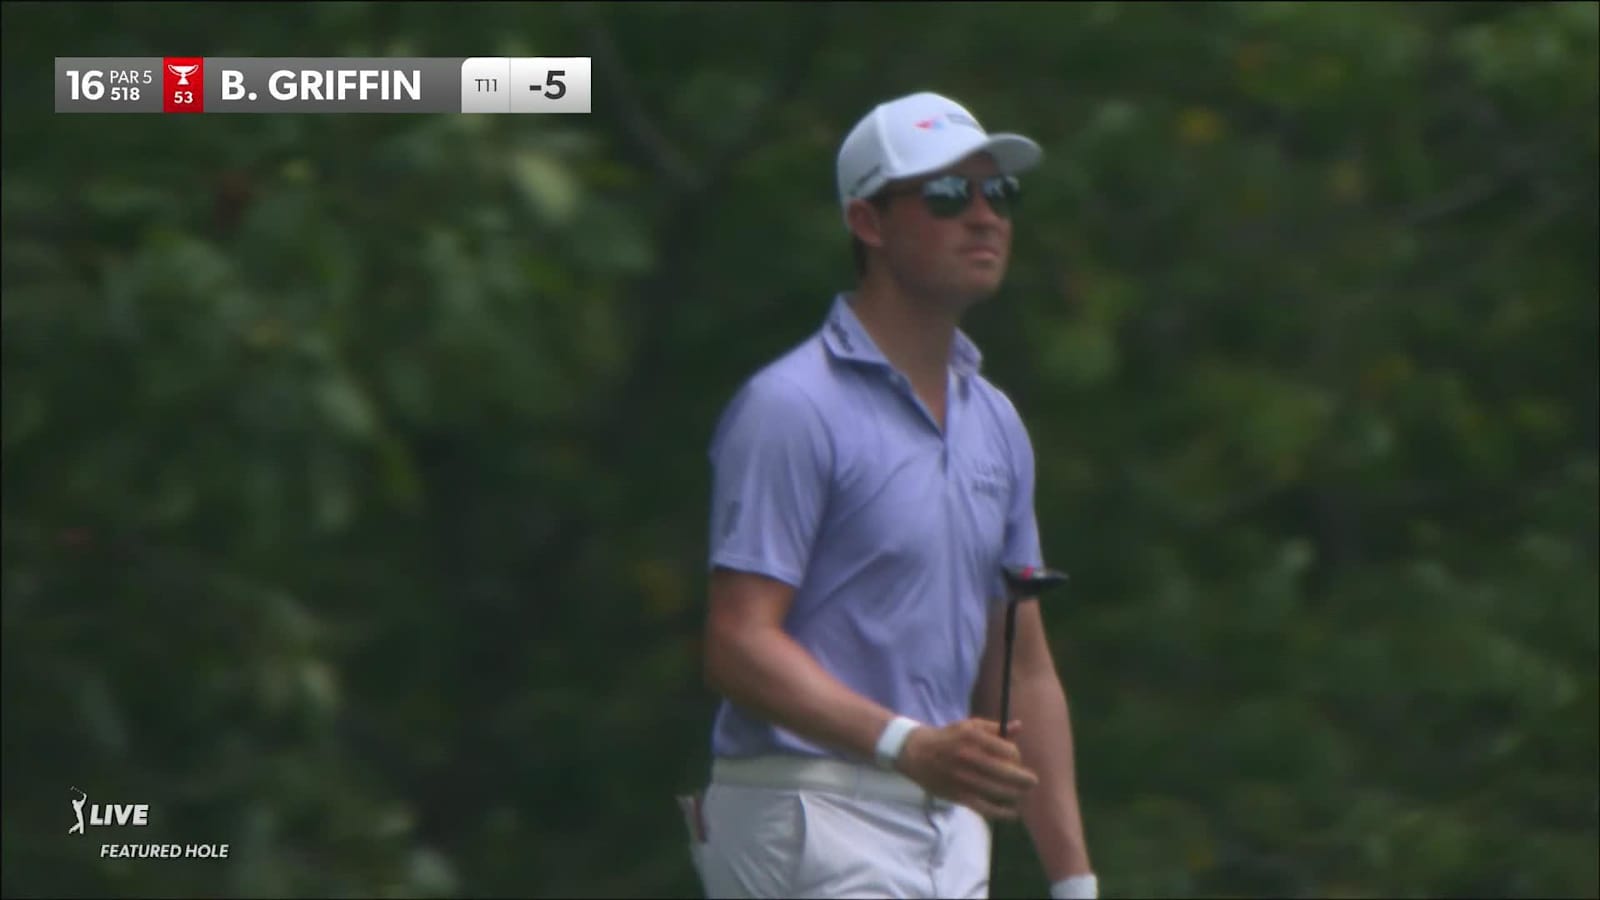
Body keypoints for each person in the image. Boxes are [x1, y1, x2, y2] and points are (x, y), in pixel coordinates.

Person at [685, 91, 1097, 899]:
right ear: (867, 223)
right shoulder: (792, 406)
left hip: (946, 828)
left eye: (998, 194)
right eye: (947, 195)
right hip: (808, 814)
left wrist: (1074, 882)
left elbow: (1023, 667)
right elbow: (737, 642)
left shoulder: (997, 425)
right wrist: (907, 744)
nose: (984, 217)